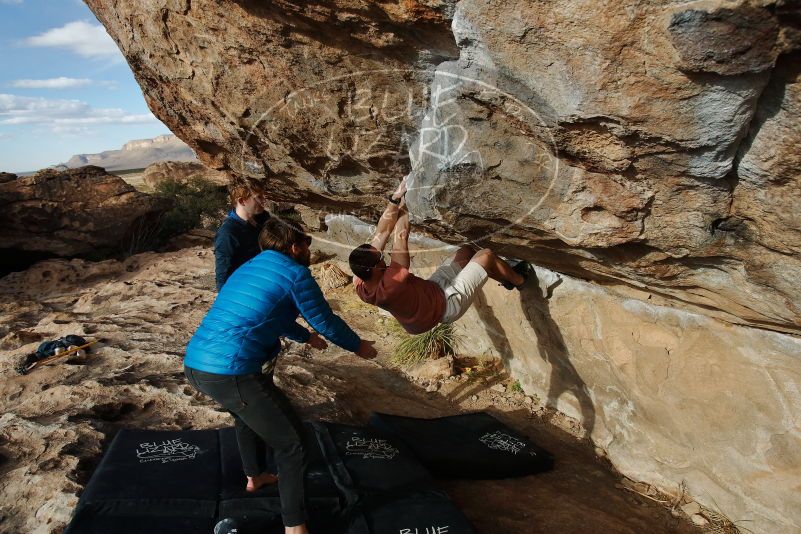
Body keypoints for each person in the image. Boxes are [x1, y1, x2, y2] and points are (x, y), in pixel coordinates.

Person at [185, 218, 377, 534]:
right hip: (231, 370)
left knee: (245, 416)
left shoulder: (249, 268)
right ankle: (295, 527)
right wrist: (359, 346)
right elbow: (326, 321)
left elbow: (272, 314)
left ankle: (255, 476)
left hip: (197, 364)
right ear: (294, 246)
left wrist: (305, 337)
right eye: (306, 245)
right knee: (294, 445)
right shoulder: (295, 274)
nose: (308, 252)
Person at [348, 176, 530, 335]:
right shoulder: (392, 284)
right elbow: (401, 234)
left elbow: (381, 234)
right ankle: (521, 280)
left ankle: (506, 279)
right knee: (486, 255)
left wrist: (395, 197)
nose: (383, 257)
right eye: (381, 258)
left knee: (467, 251)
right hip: (444, 307)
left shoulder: (361, 282)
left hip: (430, 291)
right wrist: (405, 205)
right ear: (376, 268)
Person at [214, 177, 271, 290]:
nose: (264, 200)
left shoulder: (263, 218)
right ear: (241, 201)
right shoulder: (228, 232)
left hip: (266, 281)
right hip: (245, 288)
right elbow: (223, 273)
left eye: (263, 196)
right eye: (258, 197)